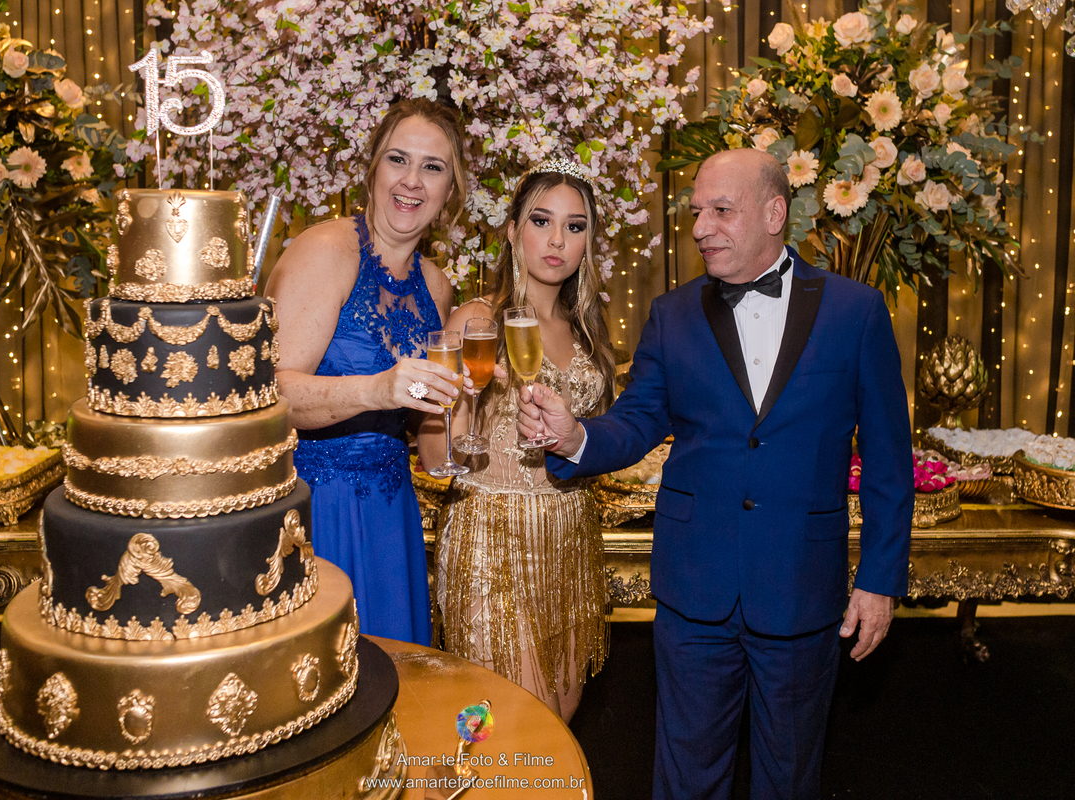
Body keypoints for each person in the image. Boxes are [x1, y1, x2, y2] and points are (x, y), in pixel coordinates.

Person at [517, 148, 913, 798]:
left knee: (788, 780)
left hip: (800, 589)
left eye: (720, 211)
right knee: (685, 781)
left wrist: (878, 580)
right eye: (697, 212)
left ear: (774, 212)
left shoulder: (856, 312)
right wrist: (577, 435)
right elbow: (637, 421)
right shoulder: (671, 316)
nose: (701, 228)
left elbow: (890, 463)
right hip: (693, 591)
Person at [264, 98, 468, 645]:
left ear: (451, 191)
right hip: (313, 509)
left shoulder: (436, 285)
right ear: (373, 170)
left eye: (433, 167)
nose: (412, 181)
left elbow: (430, 441)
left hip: (392, 509)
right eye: (398, 160)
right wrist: (376, 389)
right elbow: (268, 394)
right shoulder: (327, 251)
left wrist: (461, 399)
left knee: (400, 683)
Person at [418, 159, 615, 722]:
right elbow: (435, 458)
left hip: (571, 535)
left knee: (558, 726)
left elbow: (594, 444)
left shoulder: (588, 331)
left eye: (575, 227)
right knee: (521, 724)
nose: (557, 240)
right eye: (541, 221)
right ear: (511, 231)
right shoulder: (477, 321)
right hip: (491, 540)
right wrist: (469, 399)